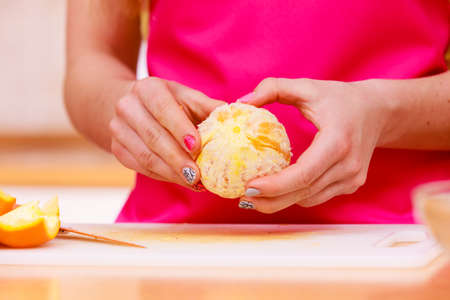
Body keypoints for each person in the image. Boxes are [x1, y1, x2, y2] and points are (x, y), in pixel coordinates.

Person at [65, 0, 450, 223]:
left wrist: (382, 112)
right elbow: (90, 66)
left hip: (397, 243)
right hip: (173, 247)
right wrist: (128, 110)